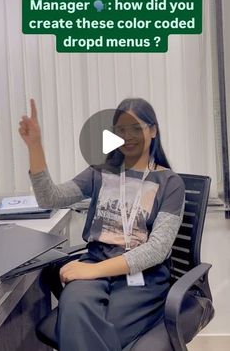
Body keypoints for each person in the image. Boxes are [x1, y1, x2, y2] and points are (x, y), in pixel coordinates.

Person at [19, 97, 185, 351]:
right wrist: (35, 147)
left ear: (153, 130)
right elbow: (49, 198)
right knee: (74, 312)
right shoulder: (100, 172)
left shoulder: (170, 184)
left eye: (136, 128)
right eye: (121, 130)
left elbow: (157, 249)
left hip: (141, 276)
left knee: (90, 327)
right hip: (94, 261)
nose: (128, 136)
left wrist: (93, 271)